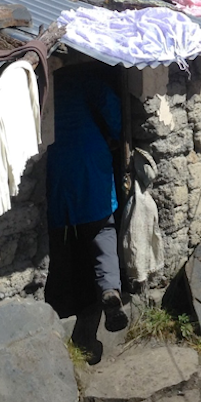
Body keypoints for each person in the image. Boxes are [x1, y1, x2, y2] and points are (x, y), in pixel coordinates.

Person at [44, 69, 128, 333]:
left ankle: (60, 302)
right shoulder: (84, 78)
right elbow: (113, 109)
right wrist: (119, 136)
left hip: (54, 160)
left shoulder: (40, 83)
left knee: (59, 237)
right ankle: (109, 289)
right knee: (102, 228)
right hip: (89, 158)